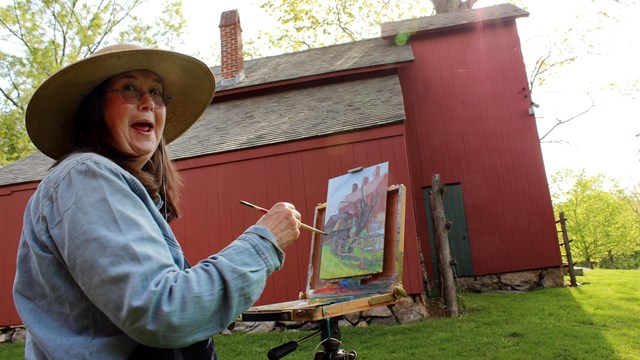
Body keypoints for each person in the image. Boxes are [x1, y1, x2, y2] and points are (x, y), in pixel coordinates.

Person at [13, 44, 302, 359]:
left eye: (157, 92)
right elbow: (165, 312)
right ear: (94, 106)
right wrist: (264, 242)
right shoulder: (87, 175)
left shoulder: (106, 184)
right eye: (130, 89)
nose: (149, 102)